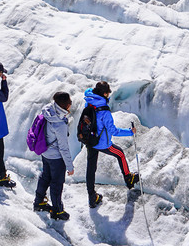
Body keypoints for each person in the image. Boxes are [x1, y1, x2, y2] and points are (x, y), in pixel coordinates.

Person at [82, 81, 139, 208]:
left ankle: (92, 197)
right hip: (102, 143)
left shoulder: (89, 100)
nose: (109, 95)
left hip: (90, 140)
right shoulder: (104, 111)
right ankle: (128, 178)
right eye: (108, 93)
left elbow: (89, 90)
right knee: (120, 154)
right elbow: (114, 131)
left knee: (91, 169)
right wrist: (130, 132)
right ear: (104, 94)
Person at [32, 91, 74, 221]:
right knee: (57, 183)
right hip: (56, 158)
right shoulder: (59, 124)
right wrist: (69, 166)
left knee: (45, 177)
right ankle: (57, 210)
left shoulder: (48, 112)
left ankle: (39, 201)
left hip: (46, 153)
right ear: (66, 105)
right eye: (70, 102)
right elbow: (63, 147)